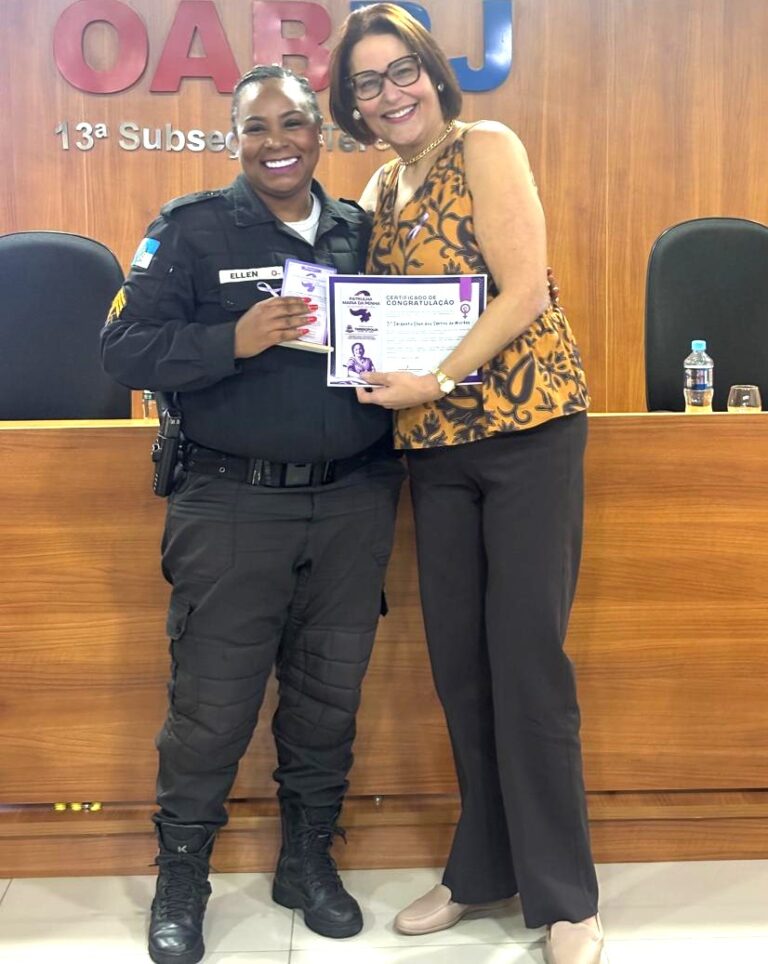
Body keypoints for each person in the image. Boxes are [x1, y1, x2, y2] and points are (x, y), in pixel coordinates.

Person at [101, 64, 403, 964]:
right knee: (211, 706)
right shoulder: (191, 229)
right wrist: (229, 340)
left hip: (354, 499)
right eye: (256, 127)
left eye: (294, 123)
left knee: (328, 699)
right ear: (234, 138)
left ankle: (306, 862)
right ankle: (182, 880)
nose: (277, 142)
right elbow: (122, 349)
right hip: (232, 503)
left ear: (320, 132)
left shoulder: (359, 232)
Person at [329, 6, 603, 964]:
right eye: (368, 82)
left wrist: (437, 378)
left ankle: (566, 897)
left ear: (433, 72)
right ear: (352, 103)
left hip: (528, 433)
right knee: (461, 670)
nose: (390, 93)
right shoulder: (380, 185)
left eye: (402, 70)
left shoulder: (487, 145)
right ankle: (483, 868)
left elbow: (523, 290)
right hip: (436, 451)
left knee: (527, 663)